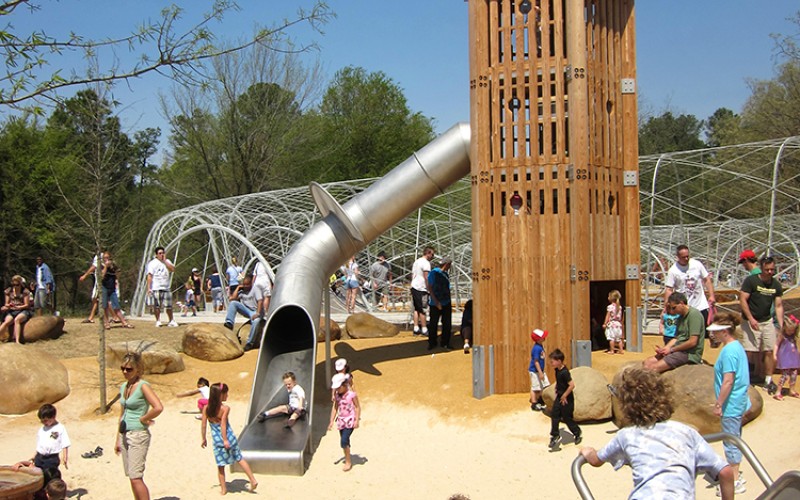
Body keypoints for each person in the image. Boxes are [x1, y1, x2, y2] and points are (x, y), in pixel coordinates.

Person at [580, 368, 735, 499]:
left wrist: (588, 452)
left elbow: (596, 460)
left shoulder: (627, 435)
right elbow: (725, 471)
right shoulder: (686, 432)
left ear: (627, 406)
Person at [707, 313, 751, 495]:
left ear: (725, 332)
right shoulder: (735, 347)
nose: (713, 335)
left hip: (731, 404)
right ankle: (735, 472)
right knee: (734, 438)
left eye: (716, 332)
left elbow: (728, 381)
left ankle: (733, 479)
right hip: (738, 401)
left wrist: (719, 404)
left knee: (730, 440)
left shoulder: (729, 351)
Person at [115, 351, 163, 500]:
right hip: (125, 433)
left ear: (138, 369)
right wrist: (117, 438)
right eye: (123, 368)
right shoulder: (124, 386)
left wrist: (144, 418)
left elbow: (158, 407)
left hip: (138, 434)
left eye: (129, 369)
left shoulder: (143, 386)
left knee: (136, 477)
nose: (125, 372)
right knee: (131, 475)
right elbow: (122, 413)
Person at [200, 382, 258, 494]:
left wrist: (203, 438)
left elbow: (203, 425)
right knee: (239, 458)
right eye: (226, 393)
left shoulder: (206, 408)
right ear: (220, 395)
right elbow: (223, 425)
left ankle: (223, 489)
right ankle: (252, 479)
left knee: (221, 466)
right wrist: (226, 439)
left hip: (217, 441)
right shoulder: (225, 408)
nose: (227, 396)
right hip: (229, 438)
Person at [740, 256, 783, 393]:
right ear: (761, 268)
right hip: (751, 320)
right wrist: (751, 318)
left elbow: (778, 305)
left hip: (767, 321)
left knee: (769, 351)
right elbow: (743, 300)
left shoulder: (775, 284)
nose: (770, 272)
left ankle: (768, 380)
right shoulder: (751, 281)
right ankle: (745, 379)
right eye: (767, 269)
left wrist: (781, 325)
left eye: (772, 270)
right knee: (750, 351)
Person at [12, 404, 71, 495]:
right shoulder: (42, 430)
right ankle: (40, 493)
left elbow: (65, 443)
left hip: (52, 458)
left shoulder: (60, 428)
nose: (44, 423)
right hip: (40, 456)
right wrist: (34, 456)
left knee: (50, 475)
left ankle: (54, 492)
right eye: (42, 421)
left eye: (46, 420)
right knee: (38, 474)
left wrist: (65, 457)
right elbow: (40, 444)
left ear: (53, 417)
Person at [642, 292, 705, 373]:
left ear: (681, 303)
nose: (672, 311)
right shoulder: (680, 317)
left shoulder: (694, 315)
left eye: (674, 308)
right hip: (677, 351)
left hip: (689, 354)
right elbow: (676, 338)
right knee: (647, 363)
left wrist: (672, 350)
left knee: (653, 368)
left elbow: (693, 342)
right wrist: (665, 349)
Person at [664, 244, 716, 327]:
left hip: (701, 306)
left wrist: (712, 296)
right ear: (677, 257)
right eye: (683, 257)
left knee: (707, 331)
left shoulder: (697, 264)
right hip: (685, 308)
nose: (686, 259)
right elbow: (669, 289)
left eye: (687, 256)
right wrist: (667, 305)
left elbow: (706, 279)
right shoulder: (673, 271)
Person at [548, 348, 581, 449]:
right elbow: (560, 382)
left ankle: (577, 432)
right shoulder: (557, 370)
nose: (551, 363)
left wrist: (564, 395)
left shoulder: (565, 372)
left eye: (552, 361)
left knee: (567, 417)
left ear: (559, 361)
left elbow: (571, 385)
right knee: (555, 414)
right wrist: (557, 389)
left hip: (567, 398)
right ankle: (555, 435)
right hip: (560, 396)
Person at [328, 373, 361, 472]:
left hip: (350, 421)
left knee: (343, 441)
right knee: (345, 441)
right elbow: (335, 408)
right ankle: (347, 454)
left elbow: (357, 407)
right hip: (341, 421)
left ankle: (348, 461)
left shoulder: (352, 395)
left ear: (344, 385)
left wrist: (356, 419)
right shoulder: (338, 396)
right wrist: (331, 421)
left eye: (338, 387)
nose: (337, 390)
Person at [223, 276, 262, 351]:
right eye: (244, 284)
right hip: (246, 309)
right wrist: (238, 288)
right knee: (233, 303)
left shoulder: (255, 289)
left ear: (251, 284)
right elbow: (232, 298)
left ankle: (250, 343)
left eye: (247, 284)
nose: (245, 286)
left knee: (256, 321)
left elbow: (260, 301)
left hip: (254, 311)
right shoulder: (241, 291)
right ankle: (229, 323)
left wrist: (258, 313)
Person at [145, 246, 178, 328]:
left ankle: (171, 320)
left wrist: (165, 261)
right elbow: (149, 276)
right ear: (156, 255)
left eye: (163, 253)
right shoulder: (152, 263)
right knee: (157, 306)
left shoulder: (167, 261)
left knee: (169, 305)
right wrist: (149, 288)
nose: (162, 254)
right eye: (160, 253)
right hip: (156, 287)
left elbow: (172, 269)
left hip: (166, 286)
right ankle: (158, 320)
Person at [101, 252, 134, 330]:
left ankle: (124, 322)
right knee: (104, 306)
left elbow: (118, 272)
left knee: (116, 306)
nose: (107, 259)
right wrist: (106, 266)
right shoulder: (100, 266)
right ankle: (106, 323)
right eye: (105, 258)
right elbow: (101, 276)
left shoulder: (113, 265)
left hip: (112, 288)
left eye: (108, 258)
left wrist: (116, 278)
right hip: (104, 287)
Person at [427, 256, 452, 350]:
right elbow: (430, 287)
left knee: (447, 324)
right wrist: (436, 301)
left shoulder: (445, 274)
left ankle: (445, 342)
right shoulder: (434, 273)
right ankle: (432, 342)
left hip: (446, 302)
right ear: (446, 264)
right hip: (435, 303)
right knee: (433, 323)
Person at [773, 314, 800, 400]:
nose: (790, 332)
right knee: (784, 375)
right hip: (785, 357)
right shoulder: (782, 335)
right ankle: (778, 391)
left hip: (793, 357)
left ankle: (792, 390)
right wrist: (774, 354)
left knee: (794, 374)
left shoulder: (794, 336)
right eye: (789, 330)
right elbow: (776, 344)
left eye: (792, 330)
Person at [410, 246, 434, 336]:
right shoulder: (426, 263)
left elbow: (413, 274)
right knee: (423, 309)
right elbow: (426, 276)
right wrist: (429, 288)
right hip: (421, 287)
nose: (433, 256)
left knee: (417, 308)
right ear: (428, 253)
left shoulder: (417, 261)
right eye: (432, 254)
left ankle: (416, 327)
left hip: (414, 286)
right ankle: (424, 328)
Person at [2, 275, 31, 343]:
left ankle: (17, 341)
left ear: (20, 284)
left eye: (17, 284)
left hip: (22, 310)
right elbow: (6, 303)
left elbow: (27, 305)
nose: (15, 286)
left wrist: (19, 307)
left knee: (17, 320)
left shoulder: (25, 291)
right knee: (6, 322)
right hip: (12, 310)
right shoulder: (9, 291)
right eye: (13, 284)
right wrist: (9, 305)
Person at [529, 328, 549, 411]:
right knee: (535, 387)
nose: (544, 338)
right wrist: (540, 372)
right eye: (542, 337)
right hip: (535, 371)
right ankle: (534, 403)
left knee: (544, 385)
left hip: (540, 370)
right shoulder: (536, 348)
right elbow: (536, 361)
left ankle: (541, 399)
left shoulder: (540, 347)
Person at [79, 253, 102, 323]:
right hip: (100, 280)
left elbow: (94, 267)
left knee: (96, 298)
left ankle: (116, 316)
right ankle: (91, 317)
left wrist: (85, 275)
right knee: (96, 298)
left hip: (100, 281)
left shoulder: (99, 256)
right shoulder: (105, 255)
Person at [603, 290, 624, 354]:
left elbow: (608, 316)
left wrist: (605, 323)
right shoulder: (619, 307)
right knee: (618, 338)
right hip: (618, 324)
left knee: (611, 338)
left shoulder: (610, 307)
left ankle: (612, 350)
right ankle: (621, 350)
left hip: (612, 324)